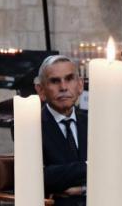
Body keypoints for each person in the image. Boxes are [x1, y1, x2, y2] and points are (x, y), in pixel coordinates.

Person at [34, 55, 87, 206]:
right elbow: (41, 177)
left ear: (80, 85)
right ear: (41, 90)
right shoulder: (31, 126)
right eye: (55, 81)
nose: (63, 87)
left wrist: (82, 188)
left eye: (69, 79)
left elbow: (116, 171)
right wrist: (90, 166)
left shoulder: (94, 123)